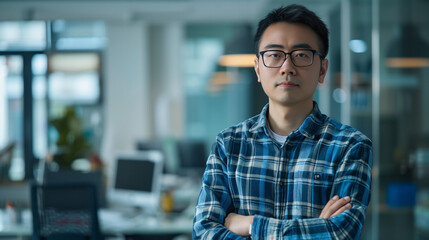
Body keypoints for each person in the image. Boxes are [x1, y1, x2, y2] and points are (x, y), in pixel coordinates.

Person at [193, 4, 372, 240]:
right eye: (275, 55)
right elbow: (204, 231)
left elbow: (342, 233)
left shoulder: (351, 146)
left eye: (301, 56)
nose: (287, 68)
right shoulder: (230, 144)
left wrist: (251, 225)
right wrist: (316, 228)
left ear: (322, 69)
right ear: (258, 68)